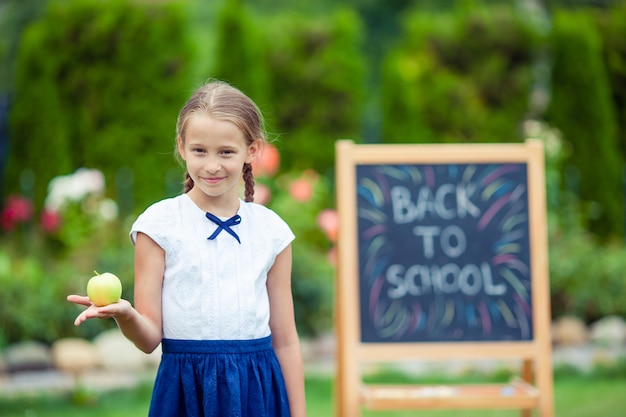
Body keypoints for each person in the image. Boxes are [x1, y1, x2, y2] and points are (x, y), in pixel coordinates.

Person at [67, 80, 306, 417]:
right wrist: (126, 314)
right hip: (185, 391)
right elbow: (149, 339)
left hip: (257, 391)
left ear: (252, 151)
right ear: (181, 147)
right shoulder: (159, 225)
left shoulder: (271, 231)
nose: (211, 165)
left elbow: (285, 340)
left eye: (226, 152)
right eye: (199, 150)